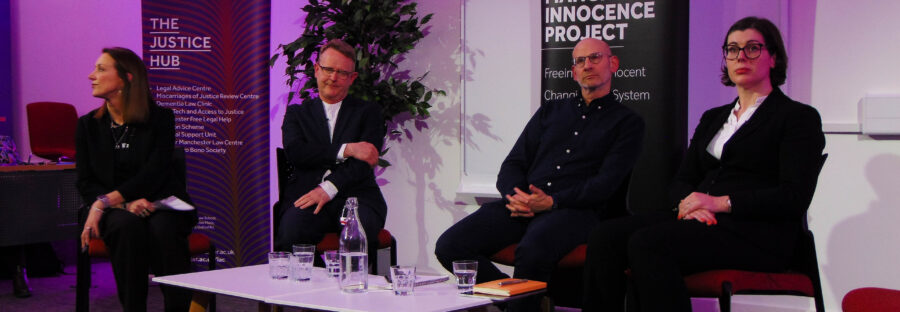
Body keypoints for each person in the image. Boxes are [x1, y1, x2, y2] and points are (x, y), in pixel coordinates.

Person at [582, 17, 826, 312]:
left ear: (773, 57)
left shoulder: (797, 118)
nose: (740, 57)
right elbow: (683, 179)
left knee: (648, 244)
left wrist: (719, 203)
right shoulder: (713, 117)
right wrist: (691, 204)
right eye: (732, 50)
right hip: (704, 223)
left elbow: (793, 197)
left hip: (757, 233)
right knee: (605, 237)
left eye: (752, 48)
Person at [435, 38, 645, 311]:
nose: (587, 65)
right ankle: (518, 302)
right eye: (580, 61)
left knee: (533, 250)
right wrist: (516, 196)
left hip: (577, 211)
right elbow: (513, 164)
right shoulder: (551, 111)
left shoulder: (628, 123)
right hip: (524, 206)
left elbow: (605, 184)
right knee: (450, 245)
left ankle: (521, 304)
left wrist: (552, 201)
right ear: (573, 72)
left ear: (613, 63)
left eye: (595, 58)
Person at [78, 47, 196, 312]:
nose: (91, 76)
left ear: (127, 78)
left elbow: (155, 172)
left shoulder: (161, 119)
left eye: (100, 69)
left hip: (163, 201)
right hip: (116, 211)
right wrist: (119, 204)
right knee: (125, 226)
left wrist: (104, 202)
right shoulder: (87, 126)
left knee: (163, 228)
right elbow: (86, 181)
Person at [275, 39, 387, 259]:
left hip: (357, 196)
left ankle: (355, 289)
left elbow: (363, 163)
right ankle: (305, 292)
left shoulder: (369, 112)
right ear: (317, 70)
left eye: (342, 72)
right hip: (308, 195)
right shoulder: (296, 113)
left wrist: (329, 188)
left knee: (359, 233)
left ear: (352, 78)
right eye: (327, 69)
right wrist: (346, 149)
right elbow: (297, 152)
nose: (333, 77)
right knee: (291, 232)